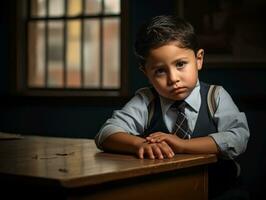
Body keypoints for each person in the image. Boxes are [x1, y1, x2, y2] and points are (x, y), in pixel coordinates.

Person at [95, 15, 250, 199]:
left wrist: (183, 145)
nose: (173, 78)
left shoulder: (215, 96)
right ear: (146, 72)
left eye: (180, 64)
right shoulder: (146, 100)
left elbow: (238, 137)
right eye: (160, 70)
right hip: (165, 191)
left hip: (220, 191)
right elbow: (105, 134)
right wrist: (140, 144)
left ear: (199, 59)